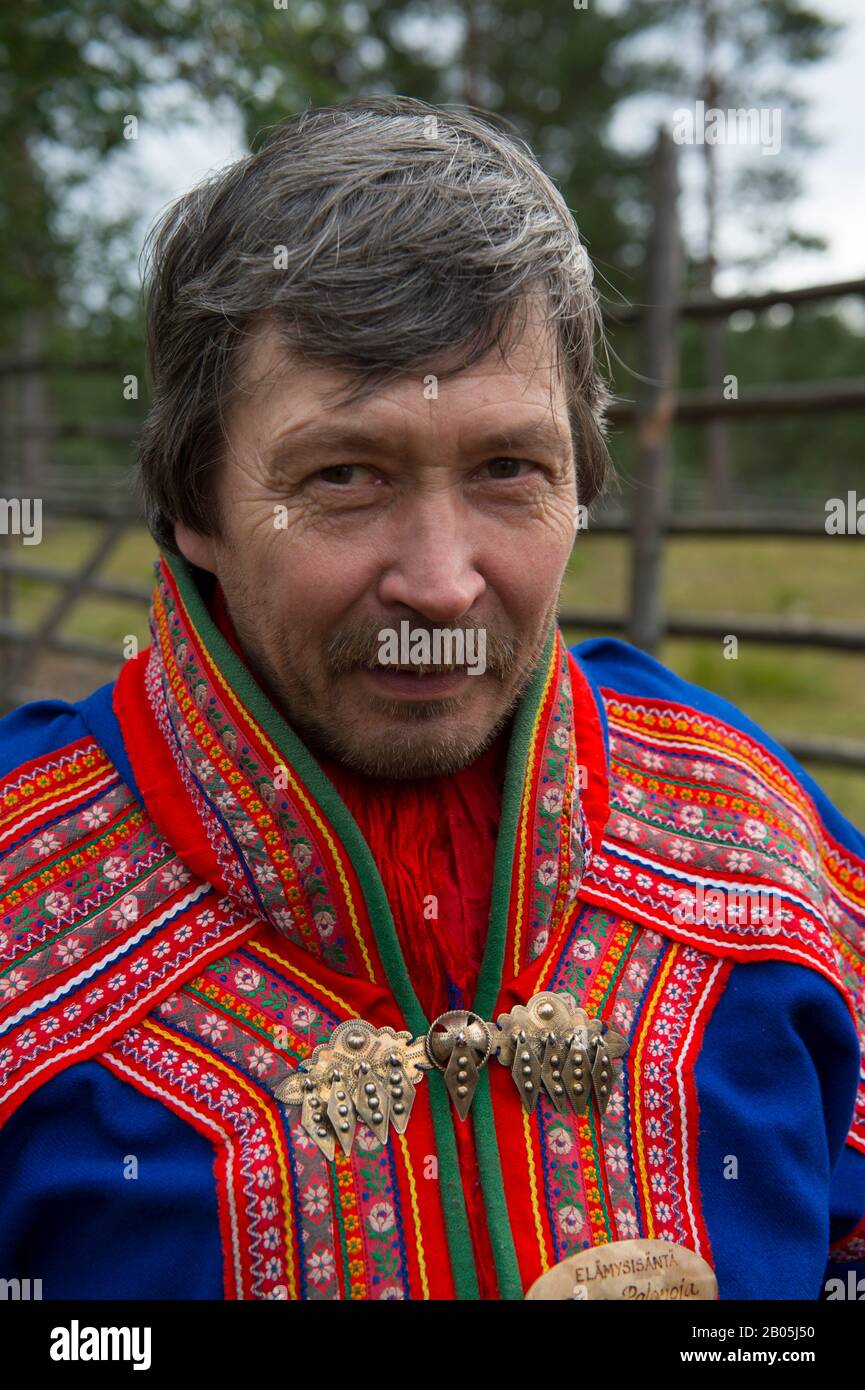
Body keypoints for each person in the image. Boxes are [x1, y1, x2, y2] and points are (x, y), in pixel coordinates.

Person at [0, 95, 862, 1302]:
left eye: (510, 468)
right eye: (344, 474)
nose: (442, 583)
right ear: (193, 503)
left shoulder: (769, 849)